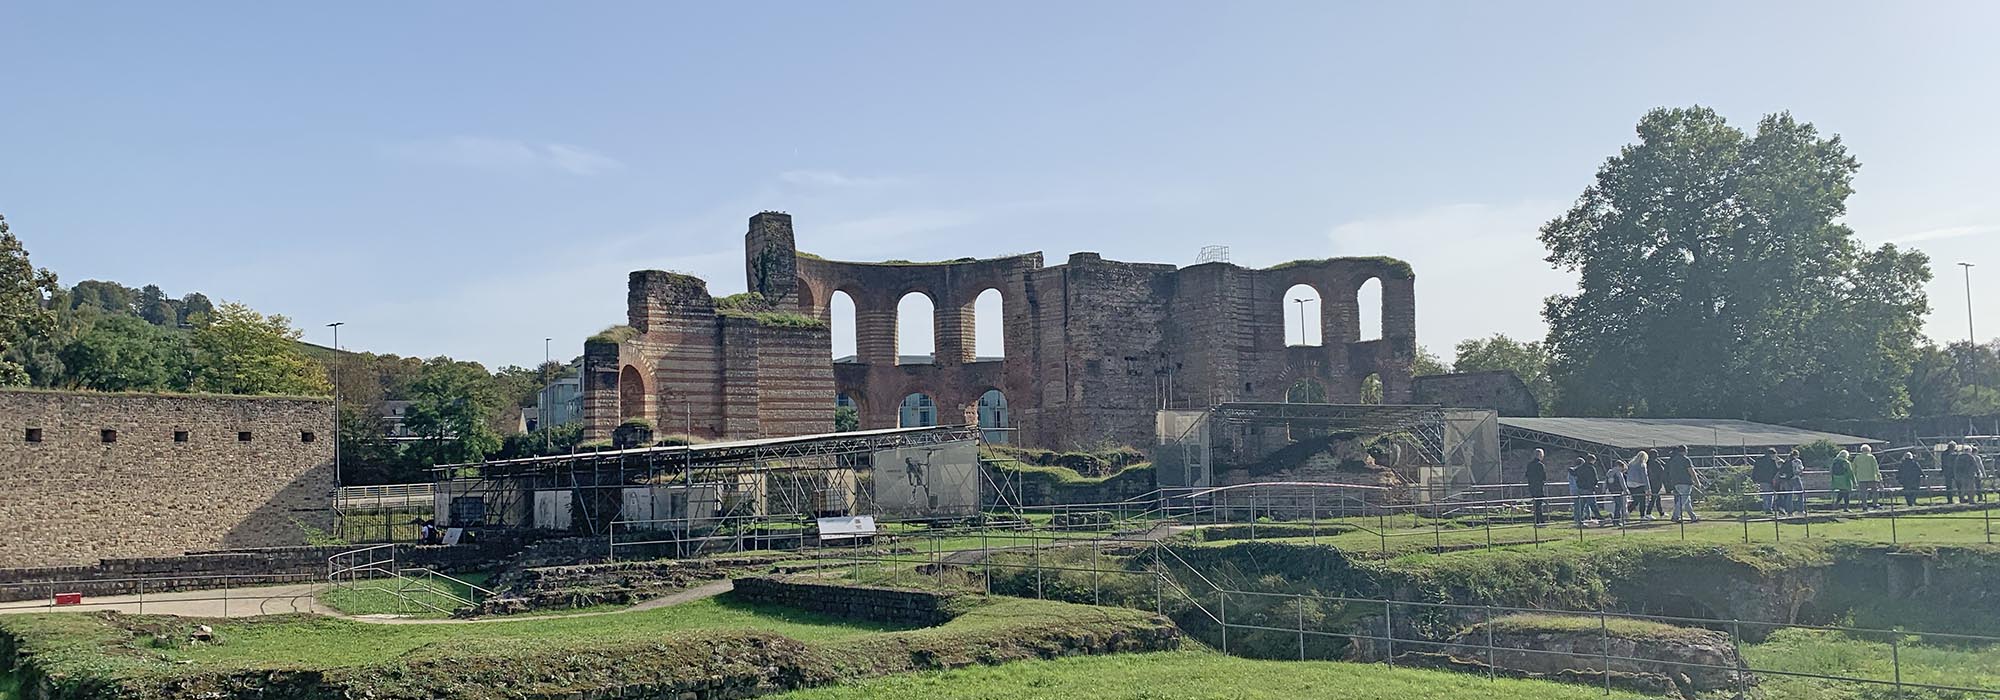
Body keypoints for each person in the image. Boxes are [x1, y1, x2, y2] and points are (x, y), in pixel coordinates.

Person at [1667, 446, 1699, 522]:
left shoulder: (1673, 460)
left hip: (1676, 483)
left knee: (1687, 501)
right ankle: (1675, 516)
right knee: (1682, 501)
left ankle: (1693, 516)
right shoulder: (1686, 460)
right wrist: (1697, 482)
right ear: (1685, 451)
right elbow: (1691, 471)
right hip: (1685, 482)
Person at [1852, 444, 1883, 510]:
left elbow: (1854, 468)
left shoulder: (1857, 458)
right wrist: (1879, 477)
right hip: (1872, 477)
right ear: (1869, 450)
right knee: (1875, 491)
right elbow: (1876, 468)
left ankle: (1864, 505)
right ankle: (1875, 504)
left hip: (1861, 478)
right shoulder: (1871, 457)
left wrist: (1854, 478)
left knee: (1863, 493)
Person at [1624, 451, 1652, 520]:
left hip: (1630, 483)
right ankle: (1642, 516)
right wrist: (1648, 488)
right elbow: (1645, 476)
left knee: (1636, 500)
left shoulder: (1631, 464)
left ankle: (1627, 512)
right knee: (1642, 501)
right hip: (1639, 483)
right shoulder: (1642, 464)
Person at [1751, 448, 1780, 513]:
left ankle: (1766, 507)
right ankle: (1768, 508)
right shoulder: (1772, 461)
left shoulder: (1759, 460)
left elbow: (1755, 470)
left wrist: (1754, 479)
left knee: (1765, 494)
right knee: (1770, 495)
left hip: (1761, 480)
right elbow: (1776, 470)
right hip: (1770, 480)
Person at [1773, 450, 1802, 515]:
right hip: (1795, 478)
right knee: (1800, 493)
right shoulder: (1796, 461)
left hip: (1787, 480)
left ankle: (1789, 511)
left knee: (1789, 495)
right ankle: (1800, 510)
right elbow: (1799, 469)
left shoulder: (1786, 461)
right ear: (1796, 455)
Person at [1525, 449, 1549, 525]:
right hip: (1539, 487)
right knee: (1539, 505)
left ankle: (1538, 520)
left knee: (1536, 504)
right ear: (1540, 455)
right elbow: (1544, 477)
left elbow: (1527, 475)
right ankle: (1540, 520)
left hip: (1531, 487)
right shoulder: (1540, 465)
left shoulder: (1529, 465)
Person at [1578, 455, 1605, 519]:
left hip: (1581, 488)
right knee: (1593, 504)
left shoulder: (1580, 468)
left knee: (1582, 505)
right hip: (1589, 488)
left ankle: (1579, 519)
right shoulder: (1591, 468)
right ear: (1592, 460)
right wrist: (1594, 485)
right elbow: (1595, 478)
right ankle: (1599, 518)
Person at [1604, 457, 1629, 525]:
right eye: (1622, 467)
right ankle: (1616, 521)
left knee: (1616, 505)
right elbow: (1622, 482)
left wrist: (1604, 490)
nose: (1622, 469)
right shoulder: (1618, 473)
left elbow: (1605, 482)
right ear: (1619, 466)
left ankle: (1616, 519)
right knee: (1619, 506)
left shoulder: (1609, 472)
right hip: (1618, 491)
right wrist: (1626, 490)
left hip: (1611, 491)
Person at [1568, 456, 1592, 527]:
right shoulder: (1579, 471)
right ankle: (1584, 518)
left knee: (1577, 505)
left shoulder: (1571, 471)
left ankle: (1577, 519)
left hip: (1573, 490)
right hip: (1580, 489)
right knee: (1583, 505)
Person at [1646, 449, 1667, 515]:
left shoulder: (1647, 463)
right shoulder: (1656, 463)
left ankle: (1661, 512)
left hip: (1650, 482)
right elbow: (1662, 472)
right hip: (1656, 483)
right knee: (1654, 498)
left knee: (1657, 498)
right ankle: (1648, 512)